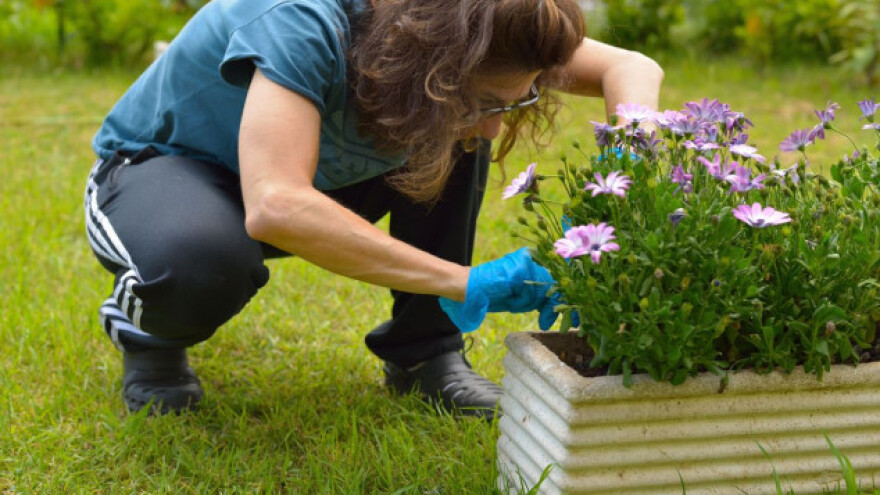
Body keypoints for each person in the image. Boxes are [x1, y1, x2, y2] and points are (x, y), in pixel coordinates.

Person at [84, 0, 663, 418]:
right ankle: (150, 339)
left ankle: (425, 352)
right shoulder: (304, 21)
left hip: (314, 180)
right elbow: (277, 204)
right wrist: (466, 281)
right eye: (487, 101)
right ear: (431, 53)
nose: (494, 127)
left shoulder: (485, 22)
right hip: (167, 173)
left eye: (519, 98)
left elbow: (633, 67)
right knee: (199, 260)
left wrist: (629, 173)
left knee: (453, 132)